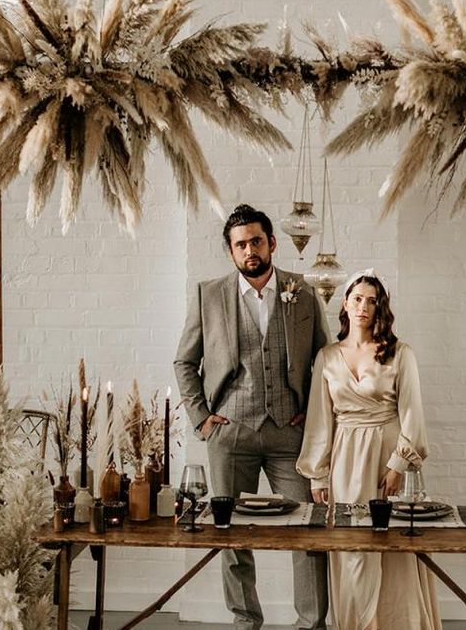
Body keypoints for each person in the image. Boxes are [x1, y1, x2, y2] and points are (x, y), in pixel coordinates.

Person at [174, 204, 329, 630]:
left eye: (256, 241)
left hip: (288, 434)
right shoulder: (209, 294)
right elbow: (185, 362)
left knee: (308, 529)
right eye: (240, 244)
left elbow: (325, 361)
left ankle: (312, 623)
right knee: (232, 536)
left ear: (272, 243)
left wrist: (312, 416)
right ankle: (246, 620)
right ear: (231, 251)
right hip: (231, 432)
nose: (250, 250)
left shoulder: (303, 291)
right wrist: (202, 417)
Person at [296, 271, 441, 630]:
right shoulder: (327, 357)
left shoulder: (399, 353)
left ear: (380, 308)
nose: (363, 306)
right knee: (352, 548)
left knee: (393, 546)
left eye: (372, 300)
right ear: (345, 303)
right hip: (346, 460)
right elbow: (319, 419)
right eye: (357, 298)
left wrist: (397, 466)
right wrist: (318, 472)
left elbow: (412, 414)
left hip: (386, 456)